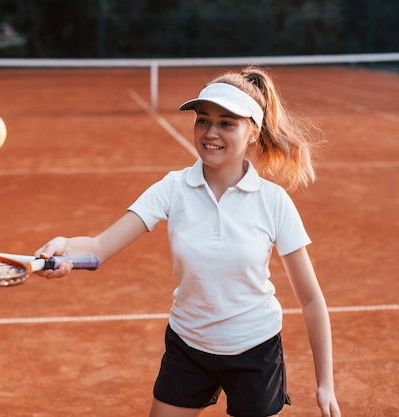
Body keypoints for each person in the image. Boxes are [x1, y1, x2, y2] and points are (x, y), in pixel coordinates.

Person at [35, 66, 341, 417]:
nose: (211, 132)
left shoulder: (273, 202)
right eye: (203, 119)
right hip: (188, 345)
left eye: (227, 123)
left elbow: (311, 298)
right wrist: (63, 247)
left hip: (255, 349)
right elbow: (100, 246)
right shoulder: (173, 187)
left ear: (253, 131)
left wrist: (325, 383)